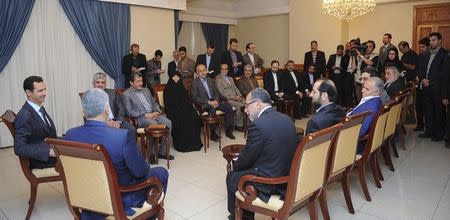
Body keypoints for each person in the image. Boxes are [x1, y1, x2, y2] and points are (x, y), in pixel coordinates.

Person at [65, 88, 169, 220]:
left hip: (88, 196)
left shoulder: (70, 135)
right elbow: (140, 172)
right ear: (107, 109)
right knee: (161, 173)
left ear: (83, 111)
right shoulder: (122, 136)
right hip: (120, 196)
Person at [226, 88, 298, 220]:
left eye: (247, 105)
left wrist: (236, 163)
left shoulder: (258, 125)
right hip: (288, 175)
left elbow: (247, 158)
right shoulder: (287, 118)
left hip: (272, 181)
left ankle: (239, 217)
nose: (245, 110)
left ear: (258, 104)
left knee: (232, 175)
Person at [122, 72, 174, 160]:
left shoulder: (146, 90)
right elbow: (129, 111)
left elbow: (154, 103)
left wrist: (157, 111)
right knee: (153, 124)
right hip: (141, 118)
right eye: (137, 81)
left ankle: (162, 152)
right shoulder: (126, 94)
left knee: (168, 122)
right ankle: (151, 154)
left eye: (141, 81)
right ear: (131, 82)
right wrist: (146, 115)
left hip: (154, 114)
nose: (140, 83)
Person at [14, 76, 57, 169]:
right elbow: (19, 148)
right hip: (43, 161)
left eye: (45, 89)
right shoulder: (24, 115)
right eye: (40, 91)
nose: (45, 93)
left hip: (52, 150)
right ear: (28, 92)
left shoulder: (38, 108)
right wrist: (49, 152)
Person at [191, 64, 236, 140]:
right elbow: (195, 97)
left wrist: (216, 101)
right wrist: (208, 102)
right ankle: (213, 133)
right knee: (212, 109)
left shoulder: (211, 80)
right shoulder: (195, 83)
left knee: (228, 106)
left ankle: (229, 131)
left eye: (204, 70)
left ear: (206, 70)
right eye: (200, 71)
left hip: (215, 101)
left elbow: (216, 92)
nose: (203, 72)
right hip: (204, 104)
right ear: (197, 72)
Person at [163, 71, 203, 152]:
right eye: (174, 77)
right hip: (173, 110)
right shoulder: (167, 89)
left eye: (177, 77)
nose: (176, 79)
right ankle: (182, 144)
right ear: (171, 78)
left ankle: (194, 143)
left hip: (185, 108)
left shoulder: (182, 87)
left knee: (194, 116)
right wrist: (178, 109)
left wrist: (190, 108)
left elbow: (187, 101)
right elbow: (167, 104)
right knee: (181, 119)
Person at [419, 32, 448, 142]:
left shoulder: (444, 54)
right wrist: (422, 79)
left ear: (440, 41)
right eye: (430, 40)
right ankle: (429, 131)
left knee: (438, 112)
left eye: (433, 40)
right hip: (426, 87)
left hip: (437, 88)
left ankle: (439, 134)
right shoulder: (427, 54)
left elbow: (444, 73)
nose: (431, 42)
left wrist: (430, 80)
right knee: (428, 111)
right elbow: (421, 69)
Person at [348, 77, 384, 155]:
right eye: (363, 87)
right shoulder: (375, 101)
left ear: (376, 92)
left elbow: (362, 131)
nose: (362, 90)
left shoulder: (371, 106)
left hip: (355, 143)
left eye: (367, 89)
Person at [215, 64, 245, 128]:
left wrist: (240, 96)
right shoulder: (218, 79)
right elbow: (222, 93)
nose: (224, 70)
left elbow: (236, 88)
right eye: (222, 69)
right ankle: (238, 125)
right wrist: (234, 97)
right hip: (227, 100)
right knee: (241, 105)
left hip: (236, 98)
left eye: (226, 69)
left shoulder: (230, 78)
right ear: (220, 70)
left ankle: (246, 123)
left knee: (247, 103)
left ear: (228, 70)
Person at [414, 37, 430, 132]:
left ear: (428, 47)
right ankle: (420, 125)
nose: (421, 49)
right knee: (418, 106)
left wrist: (421, 77)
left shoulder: (431, 56)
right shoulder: (419, 56)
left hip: (427, 85)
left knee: (426, 108)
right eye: (420, 47)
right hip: (419, 84)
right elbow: (417, 68)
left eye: (423, 47)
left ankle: (428, 128)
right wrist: (417, 76)